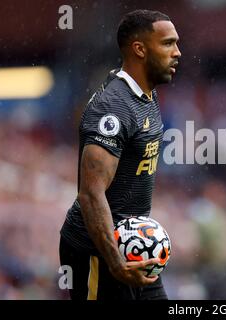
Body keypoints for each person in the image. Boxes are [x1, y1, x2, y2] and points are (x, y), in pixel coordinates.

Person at [59, 9, 181, 300]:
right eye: (168, 43)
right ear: (139, 49)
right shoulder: (113, 108)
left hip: (133, 248)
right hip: (98, 253)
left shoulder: (146, 93)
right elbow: (90, 194)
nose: (177, 52)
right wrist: (115, 263)